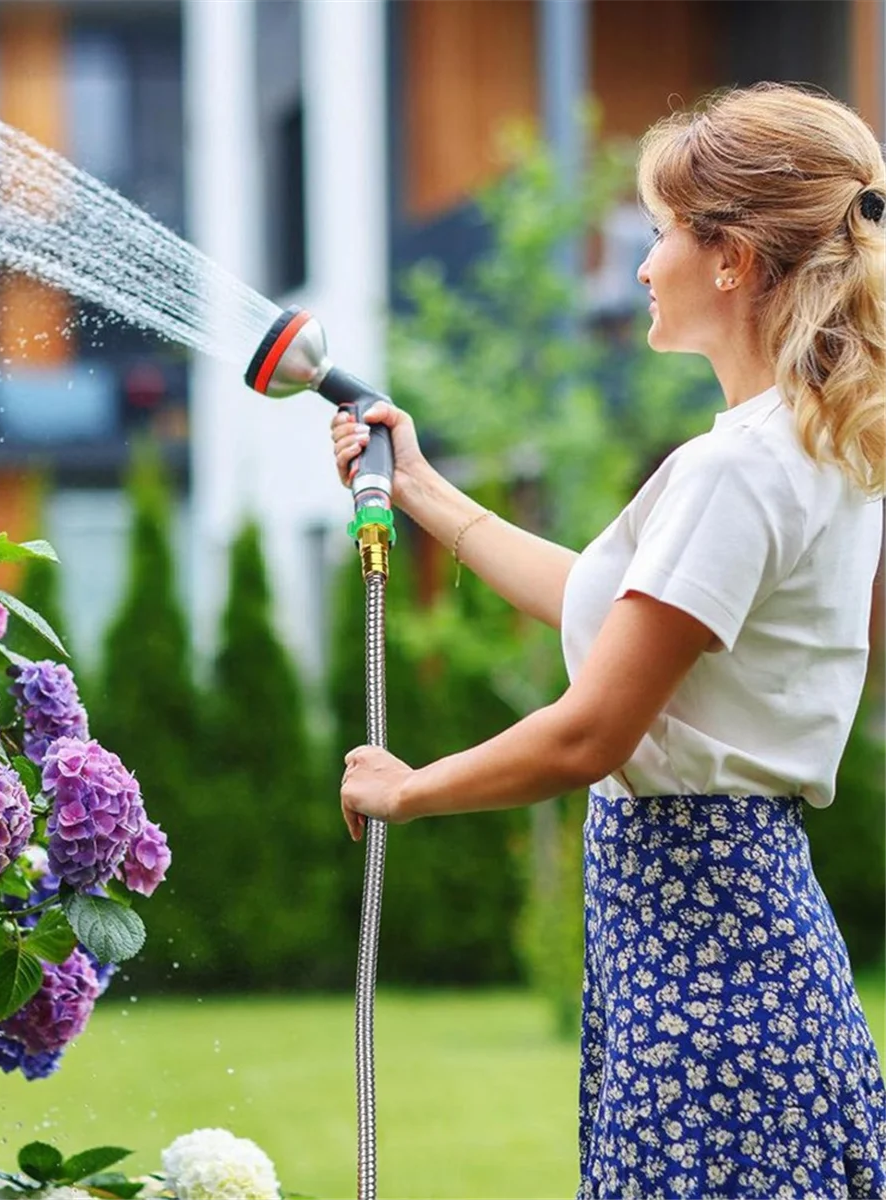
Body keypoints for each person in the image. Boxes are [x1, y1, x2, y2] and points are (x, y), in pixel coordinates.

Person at [332, 83, 885, 1198]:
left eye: (660, 234)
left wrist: (411, 788)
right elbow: (607, 603)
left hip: (711, 993)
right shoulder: (799, 443)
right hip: (722, 963)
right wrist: (430, 493)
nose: (641, 267)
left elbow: (592, 731)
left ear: (731, 259)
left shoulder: (743, 468)